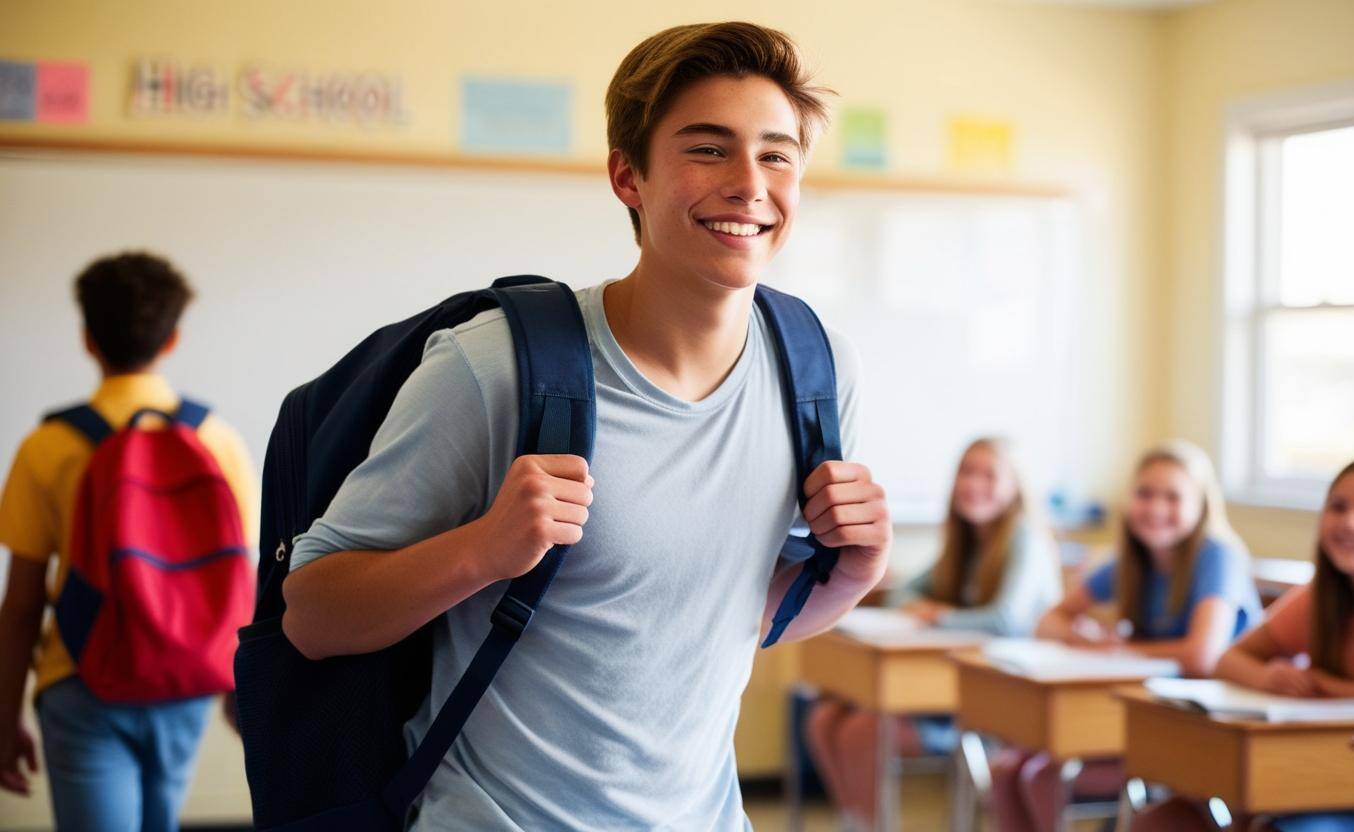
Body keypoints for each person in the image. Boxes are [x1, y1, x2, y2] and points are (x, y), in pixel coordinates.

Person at [278, 21, 892, 830]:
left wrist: (853, 573)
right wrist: (481, 551)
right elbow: (313, 617)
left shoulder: (817, 371)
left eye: (777, 154)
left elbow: (706, 629)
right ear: (627, 176)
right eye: (707, 149)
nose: (750, 184)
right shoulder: (496, 367)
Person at [0, 251, 258, 831]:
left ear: (88, 339)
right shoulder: (219, 441)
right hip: (188, 677)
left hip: (82, 677)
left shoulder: (48, 447)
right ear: (172, 341)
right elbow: (239, 578)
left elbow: (20, 604)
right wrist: (239, 685)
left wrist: (4, 715)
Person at [1134, 451, 1354, 832]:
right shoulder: (1324, 594)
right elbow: (1228, 660)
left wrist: (1327, 686)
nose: (1350, 522)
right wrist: (1269, 678)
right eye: (1338, 507)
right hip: (1335, 769)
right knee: (1164, 821)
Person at [991, 439, 1261, 832]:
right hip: (1148, 723)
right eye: (1145, 494)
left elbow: (1202, 654)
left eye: (1173, 497)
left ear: (1201, 505)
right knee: (1010, 766)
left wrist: (1123, 648)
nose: (1155, 508)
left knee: (1041, 775)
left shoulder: (1218, 556)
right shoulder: (1131, 562)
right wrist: (1092, 641)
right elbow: (1048, 622)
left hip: (1211, 737)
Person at [804, 437, 1060, 829]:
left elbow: (1007, 620)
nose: (974, 483)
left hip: (1003, 707)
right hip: (954, 695)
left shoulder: (1026, 539)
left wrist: (939, 616)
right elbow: (903, 595)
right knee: (825, 718)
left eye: (988, 474)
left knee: (864, 731)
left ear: (1015, 488)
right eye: (966, 472)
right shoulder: (967, 542)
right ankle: (855, 823)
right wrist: (924, 606)